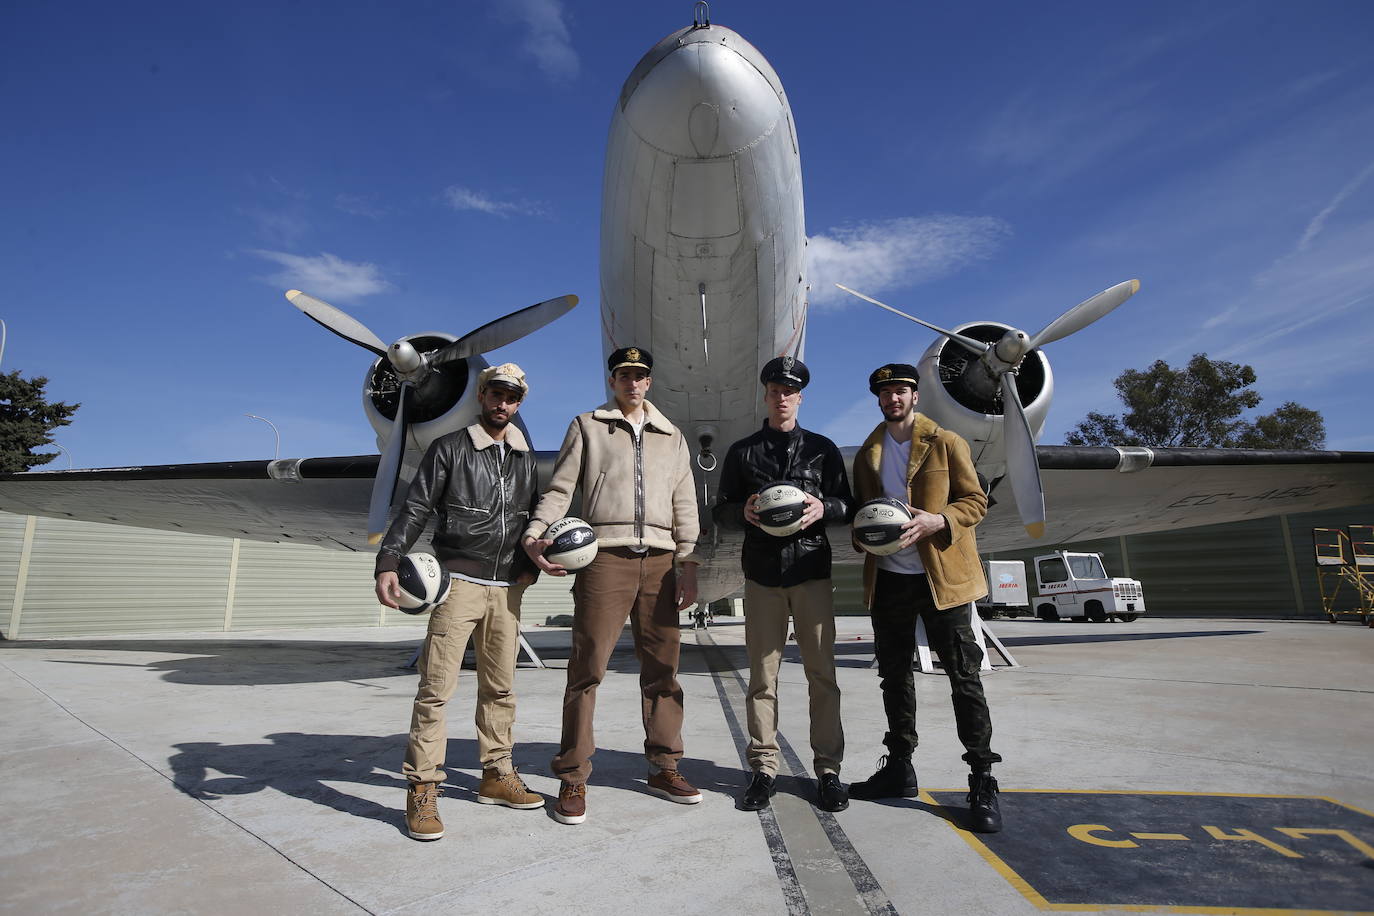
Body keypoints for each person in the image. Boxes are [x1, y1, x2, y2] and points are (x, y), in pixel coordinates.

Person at [522, 346, 701, 826]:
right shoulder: (587, 426)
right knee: (587, 669)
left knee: (663, 670)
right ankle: (573, 773)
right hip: (605, 559)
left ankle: (665, 766)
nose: (633, 382)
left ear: (649, 382)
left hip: (661, 562)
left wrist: (688, 561)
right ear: (613, 379)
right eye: (624, 374)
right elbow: (561, 488)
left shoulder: (672, 436)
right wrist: (536, 531)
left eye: (640, 375)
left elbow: (685, 501)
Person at [375, 363, 544, 842]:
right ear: (481, 395)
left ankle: (496, 774)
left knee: (501, 689)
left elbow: (535, 518)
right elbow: (415, 507)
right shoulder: (449, 449)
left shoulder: (526, 459)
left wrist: (529, 571)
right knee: (435, 689)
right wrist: (389, 559)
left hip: (507, 590)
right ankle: (423, 787)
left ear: (519, 403)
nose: (501, 404)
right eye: (494, 393)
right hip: (460, 584)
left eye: (511, 397)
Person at [848, 362, 1003, 833]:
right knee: (894, 678)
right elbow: (862, 516)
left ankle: (981, 778)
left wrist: (939, 521)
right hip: (891, 579)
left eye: (901, 390)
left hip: (943, 579)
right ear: (877, 399)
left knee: (964, 678)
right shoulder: (867, 454)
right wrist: (865, 537)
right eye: (885, 392)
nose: (893, 398)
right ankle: (899, 768)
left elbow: (976, 502)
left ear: (915, 396)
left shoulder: (947, 441)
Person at [712, 356, 853, 813]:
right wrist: (743, 511)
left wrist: (824, 509)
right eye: (775, 389)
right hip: (763, 577)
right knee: (762, 678)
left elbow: (847, 504)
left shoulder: (823, 449)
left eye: (789, 390)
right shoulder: (742, 452)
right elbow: (722, 510)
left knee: (822, 676)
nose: (782, 396)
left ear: (800, 396)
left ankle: (828, 770)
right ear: (766, 395)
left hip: (811, 572)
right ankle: (763, 767)